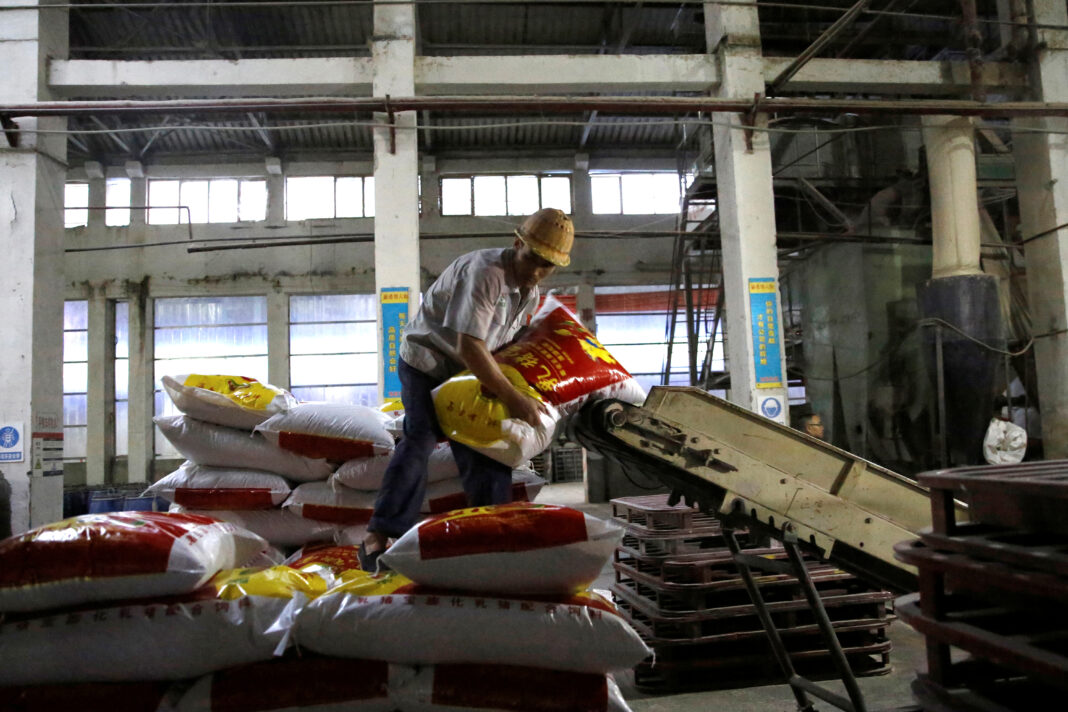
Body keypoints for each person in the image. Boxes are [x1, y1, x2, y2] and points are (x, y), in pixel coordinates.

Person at [359, 207, 575, 571]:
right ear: (516, 243)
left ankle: (491, 540)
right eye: (532, 259)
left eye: (547, 266)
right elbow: (470, 346)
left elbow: (503, 348)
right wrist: (513, 397)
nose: (537, 271)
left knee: (486, 450)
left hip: (468, 373)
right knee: (420, 440)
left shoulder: (530, 294)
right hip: (427, 362)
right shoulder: (486, 274)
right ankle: (379, 536)